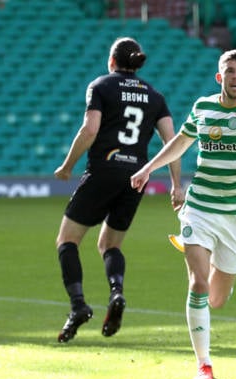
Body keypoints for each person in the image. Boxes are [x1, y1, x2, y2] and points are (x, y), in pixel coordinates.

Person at [131, 49, 236, 379]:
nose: (235, 76)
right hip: (199, 208)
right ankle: (204, 363)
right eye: (229, 70)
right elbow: (180, 143)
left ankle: (217, 264)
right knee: (198, 283)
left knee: (217, 299)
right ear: (220, 77)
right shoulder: (203, 107)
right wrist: (148, 168)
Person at [54, 37, 182, 343]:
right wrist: (177, 185)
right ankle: (117, 293)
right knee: (110, 245)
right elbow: (172, 142)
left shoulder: (100, 86)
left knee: (67, 240)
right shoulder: (155, 95)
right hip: (136, 176)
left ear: (111, 61)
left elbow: (90, 130)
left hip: (103, 170)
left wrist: (68, 165)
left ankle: (78, 306)